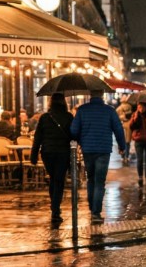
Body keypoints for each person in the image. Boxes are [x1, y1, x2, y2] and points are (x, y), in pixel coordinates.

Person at [70, 89, 126, 223]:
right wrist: (122, 146)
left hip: (88, 149)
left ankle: (92, 207)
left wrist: (79, 140)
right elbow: (118, 129)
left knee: (91, 179)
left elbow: (73, 130)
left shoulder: (82, 110)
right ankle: (96, 212)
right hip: (103, 149)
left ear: (90, 96)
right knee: (100, 181)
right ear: (102, 95)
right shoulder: (109, 111)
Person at [31, 93, 73, 225]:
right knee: (59, 180)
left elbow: (38, 137)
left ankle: (55, 208)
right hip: (63, 152)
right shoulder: (68, 116)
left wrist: (34, 154)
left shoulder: (44, 117)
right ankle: (55, 210)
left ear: (51, 102)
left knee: (53, 179)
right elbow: (73, 134)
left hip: (47, 152)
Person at [129, 102, 146, 186]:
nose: (141, 109)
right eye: (139, 107)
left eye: (142, 107)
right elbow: (131, 127)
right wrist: (135, 118)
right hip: (139, 140)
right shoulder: (135, 115)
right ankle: (140, 176)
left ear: (145, 107)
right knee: (140, 159)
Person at [117, 96, 133, 164]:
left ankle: (123, 155)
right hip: (129, 125)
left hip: (122, 125)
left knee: (122, 140)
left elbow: (116, 118)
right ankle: (127, 156)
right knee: (128, 142)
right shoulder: (130, 107)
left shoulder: (119, 108)